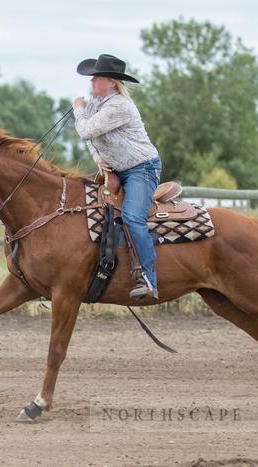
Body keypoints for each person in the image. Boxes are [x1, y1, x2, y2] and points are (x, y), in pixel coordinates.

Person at [72, 53, 162, 300]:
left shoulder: (119, 106)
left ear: (112, 82)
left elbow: (86, 130)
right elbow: (91, 138)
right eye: (92, 79)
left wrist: (77, 111)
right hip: (116, 169)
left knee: (133, 218)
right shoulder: (96, 104)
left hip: (141, 168)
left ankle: (148, 279)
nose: (91, 83)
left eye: (97, 78)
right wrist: (98, 159)